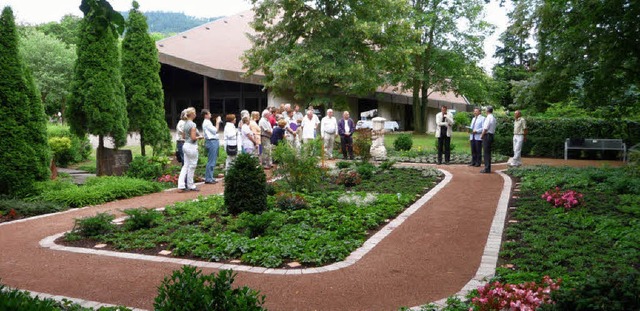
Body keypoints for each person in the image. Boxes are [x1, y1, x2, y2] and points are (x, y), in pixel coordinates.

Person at [177, 107, 203, 192]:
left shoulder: (185, 124)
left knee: (185, 166)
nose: (195, 114)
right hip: (191, 146)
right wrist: (200, 137)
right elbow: (193, 138)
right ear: (191, 114)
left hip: (185, 145)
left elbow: (184, 136)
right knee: (192, 166)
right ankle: (191, 185)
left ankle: (181, 185)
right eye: (194, 113)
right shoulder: (193, 124)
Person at [201, 109, 221, 184]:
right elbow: (215, 130)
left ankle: (210, 177)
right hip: (211, 141)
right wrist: (217, 122)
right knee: (211, 160)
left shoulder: (207, 122)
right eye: (209, 113)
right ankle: (208, 178)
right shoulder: (207, 123)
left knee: (213, 160)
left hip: (212, 141)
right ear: (205, 115)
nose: (210, 114)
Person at [480, 106, 497, 173]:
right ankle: (487, 167)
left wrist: (482, 135)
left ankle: (487, 168)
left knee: (486, 152)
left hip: (487, 135)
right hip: (491, 135)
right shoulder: (493, 118)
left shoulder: (488, 118)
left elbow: (486, 128)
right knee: (488, 152)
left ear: (487, 111)